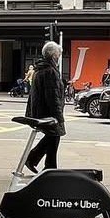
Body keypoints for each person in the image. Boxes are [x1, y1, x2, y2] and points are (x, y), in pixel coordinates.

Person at [25, 40, 66, 171]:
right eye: (58, 55)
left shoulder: (40, 69)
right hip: (47, 112)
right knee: (55, 135)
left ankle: (48, 166)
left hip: (39, 110)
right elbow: (52, 96)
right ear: (54, 55)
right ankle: (40, 162)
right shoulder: (50, 71)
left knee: (53, 136)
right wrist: (59, 116)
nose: (59, 58)